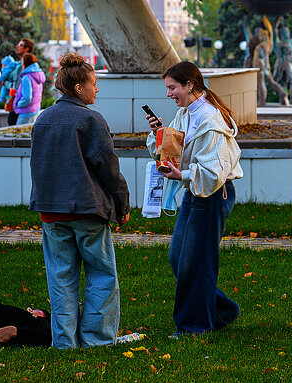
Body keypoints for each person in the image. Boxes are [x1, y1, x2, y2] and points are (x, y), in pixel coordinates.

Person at [29, 52, 132, 349]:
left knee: (61, 279)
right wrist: (122, 205)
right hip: (87, 210)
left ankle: (64, 342)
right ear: (78, 88)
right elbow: (109, 168)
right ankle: (97, 340)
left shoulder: (43, 119)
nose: (96, 89)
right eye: (93, 84)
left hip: (51, 212)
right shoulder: (91, 120)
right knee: (101, 275)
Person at [146, 61, 244, 336]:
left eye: (172, 88)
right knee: (179, 257)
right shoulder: (186, 113)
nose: (168, 94)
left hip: (213, 194)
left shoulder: (210, 120)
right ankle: (221, 311)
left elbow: (214, 172)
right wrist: (158, 133)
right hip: (195, 191)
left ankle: (194, 326)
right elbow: (173, 150)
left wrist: (183, 175)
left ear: (189, 85)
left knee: (196, 261)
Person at [6, 38, 35, 125]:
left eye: (20, 45)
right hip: (19, 105)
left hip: (22, 108)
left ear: (27, 49)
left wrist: (5, 83)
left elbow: (19, 86)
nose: (17, 47)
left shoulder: (26, 67)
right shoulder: (19, 64)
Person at [12, 52, 46, 124]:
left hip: (26, 112)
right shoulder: (38, 75)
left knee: (19, 131)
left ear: (25, 63)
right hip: (36, 110)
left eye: (22, 62)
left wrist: (18, 104)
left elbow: (27, 98)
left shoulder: (27, 77)